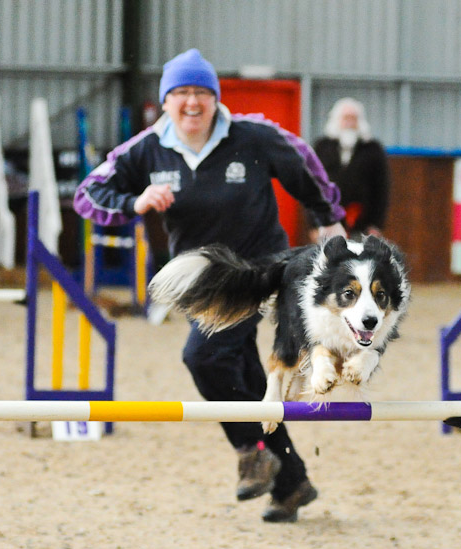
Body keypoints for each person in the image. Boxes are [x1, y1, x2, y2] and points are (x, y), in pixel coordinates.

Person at [73, 48, 346, 523]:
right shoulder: (145, 149)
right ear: (166, 101)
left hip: (259, 270)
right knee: (242, 375)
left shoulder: (253, 136)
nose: (192, 102)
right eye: (181, 93)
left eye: (202, 92)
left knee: (203, 356)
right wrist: (134, 202)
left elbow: (304, 164)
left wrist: (329, 223)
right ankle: (291, 480)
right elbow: (87, 195)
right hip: (200, 282)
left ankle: (249, 449)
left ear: (216, 98)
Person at [312, 97, 390, 238]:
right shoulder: (322, 147)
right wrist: (314, 224)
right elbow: (313, 186)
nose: (349, 123)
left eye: (353, 118)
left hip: (362, 224)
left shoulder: (373, 149)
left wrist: (376, 224)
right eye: (345, 118)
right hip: (328, 222)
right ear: (337, 120)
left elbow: (381, 189)